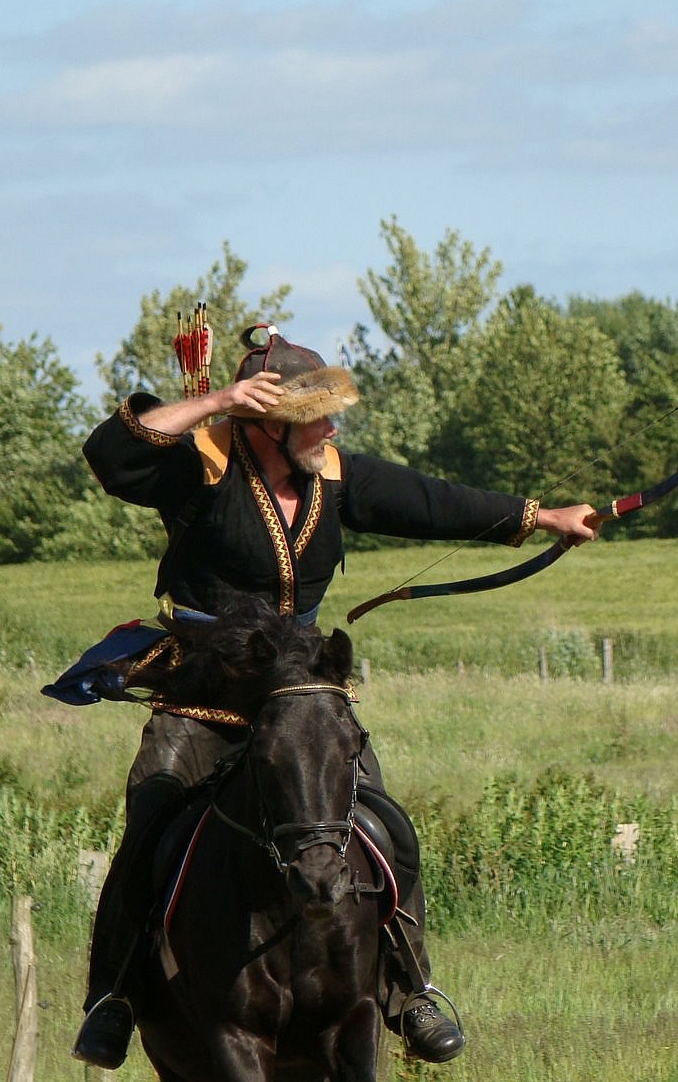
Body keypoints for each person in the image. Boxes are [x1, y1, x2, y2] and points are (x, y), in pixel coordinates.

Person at [69, 324, 599, 1070]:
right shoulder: (202, 466)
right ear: (267, 425)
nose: (331, 430)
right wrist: (217, 401)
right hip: (205, 694)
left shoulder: (334, 474)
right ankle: (117, 996)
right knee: (151, 824)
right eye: (315, 418)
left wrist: (544, 518)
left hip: (302, 699)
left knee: (386, 826)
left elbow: (434, 502)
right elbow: (111, 454)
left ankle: (410, 991)